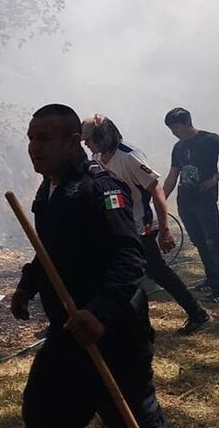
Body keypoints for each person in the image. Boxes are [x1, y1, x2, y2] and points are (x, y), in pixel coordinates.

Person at [11, 104, 184, 428]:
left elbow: (129, 257)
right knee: (43, 419)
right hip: (68, 330)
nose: (34, 147)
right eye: (30, 138)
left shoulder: (100, 187)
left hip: (114, 332)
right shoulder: (49, 190)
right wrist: (28, 284)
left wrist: (99, 313)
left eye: (44, 138)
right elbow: (50, 251)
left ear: (74, 141)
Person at [81, 114, 210, 335]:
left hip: (141, 225)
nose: (86, 144)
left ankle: (197, 314)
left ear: (102, 136)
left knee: (156, 271)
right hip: (118, 225)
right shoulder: (99, 156)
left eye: (89, 139)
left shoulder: (129, 156)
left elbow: (156, 190)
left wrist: (164, 230)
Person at [162, 108, 219, 303]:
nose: (173, 132)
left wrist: (215, 179)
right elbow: (173, 176)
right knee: (199, 241)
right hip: (185, 202)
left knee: (214, 242)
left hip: (205, 201)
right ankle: (211, 280)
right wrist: (160, 200)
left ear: (185, 123)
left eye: (174, 127)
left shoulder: (210, 139)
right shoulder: (178, 147)